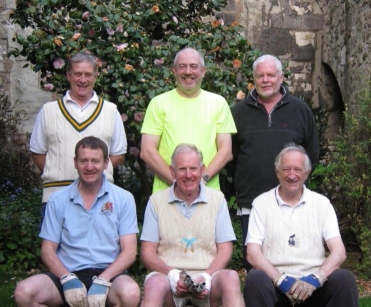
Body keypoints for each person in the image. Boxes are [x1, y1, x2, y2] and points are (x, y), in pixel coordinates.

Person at [14, 136, 141, 307]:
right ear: (75, 162)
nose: (89, 167)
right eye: (84, 161)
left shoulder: (123, 198)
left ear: (106, 163)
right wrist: (66, 278)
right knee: (24, 293)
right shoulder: (57, 199)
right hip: (68, 274)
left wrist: (103, 279)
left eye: (95, 161)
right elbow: (47, 250)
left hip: (109, 275)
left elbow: (129, 251)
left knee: (131, 294)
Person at [230, 54, 319, 271]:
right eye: (260, 76)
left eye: (271, 75)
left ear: (281, 78)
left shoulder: (300, 111)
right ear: (253, 78)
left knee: (293, 258)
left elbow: (311, 155)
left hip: (292, 203)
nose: (266, 80)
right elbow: (230, 156)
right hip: (251, 202)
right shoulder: (238, 112)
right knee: (255, 263)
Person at [243, 144, 359, 307]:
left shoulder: (322, 204)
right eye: (286, 169)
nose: (292, 175)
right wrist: (280, 279)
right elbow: (252, 253)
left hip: (314, 287)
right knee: (255, 278)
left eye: (297, 169)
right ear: (277, 173)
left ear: (306, 173)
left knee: (344, 279)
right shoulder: (261, 204)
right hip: (276, 287)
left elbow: (339, 252)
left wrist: (316, 278)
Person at [140, 144, 245, 307]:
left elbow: (225, 249)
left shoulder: (217, 199)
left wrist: (207, 276)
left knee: (231, 278)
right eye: (182, 169)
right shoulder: (156, 201)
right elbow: (147, 252)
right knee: (154, 284)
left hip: (208, 276)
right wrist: (172, 274)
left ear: (202, 170)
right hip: (168, 277)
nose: (188, 175)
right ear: (172, 171)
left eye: (193, 169)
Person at [29, 51, 127, 214]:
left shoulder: (111, 111)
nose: (83, 80)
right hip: (56, 198)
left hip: (100, 198)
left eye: (88, 74)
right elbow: (37, 153)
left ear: (95, 76)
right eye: (77, 74)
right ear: (68, 75)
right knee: (52, 241)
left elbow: (118, 154)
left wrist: (91, 177)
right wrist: (59, 172)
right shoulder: (48, 111)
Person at [140, 47, 236, 193]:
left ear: (203, 71)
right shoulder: (158, 103)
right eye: (182, 66)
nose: (188, 72)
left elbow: (226, 151)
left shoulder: (218, 103)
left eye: (194, 66)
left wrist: (202, 182)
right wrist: (177, 184)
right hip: (166, 195)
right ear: (174, 70)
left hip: (208, 194)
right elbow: (147, 151)